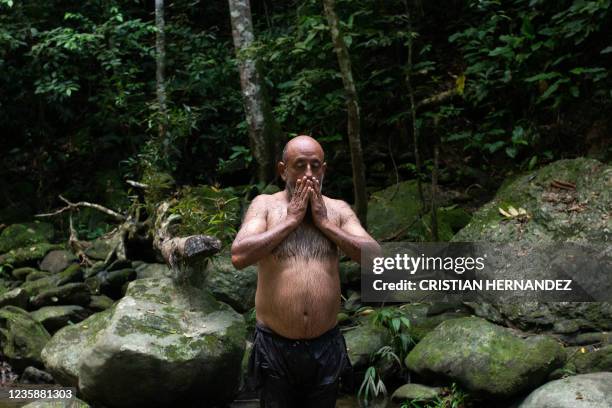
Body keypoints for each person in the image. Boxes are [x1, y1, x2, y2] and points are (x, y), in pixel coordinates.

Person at [231, 135, 381, 408]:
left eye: (315, 165)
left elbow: (377, 259)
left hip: (326, 347)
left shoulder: (337, 210)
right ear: (282, 170)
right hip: (274, 347)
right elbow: (239, 255)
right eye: (300, 165)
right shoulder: (265, 205)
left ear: (324, 169)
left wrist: (325, 224)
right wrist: (290, 220)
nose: (309, 174)